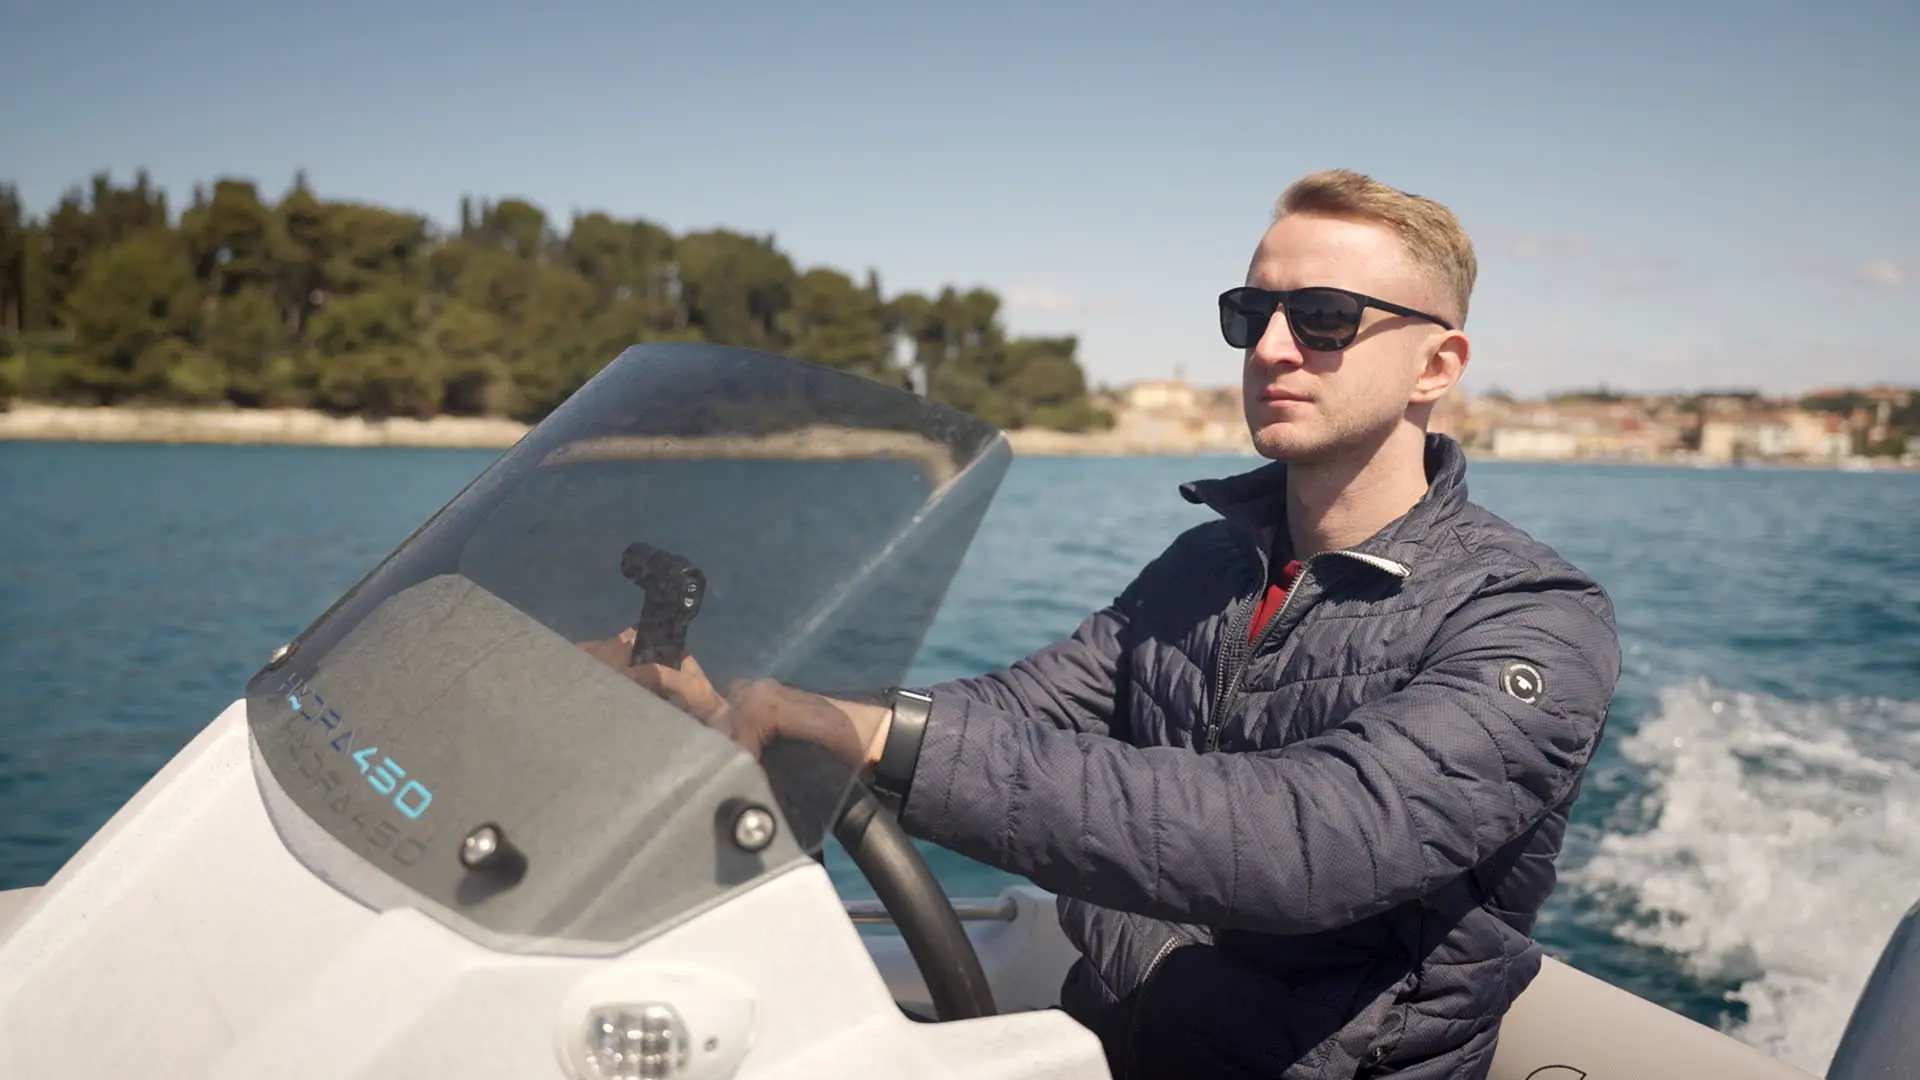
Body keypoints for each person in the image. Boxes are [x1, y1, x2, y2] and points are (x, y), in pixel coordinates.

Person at [604, 169, 1622, 1080]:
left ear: (1438, 366)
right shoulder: (1209, 562)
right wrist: (754, 705)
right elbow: (1017, 710)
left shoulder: (1530, 618)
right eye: (1251, 312)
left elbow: (1313, 840)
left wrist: (881, 738)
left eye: (1322, 316)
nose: (1272, 348)